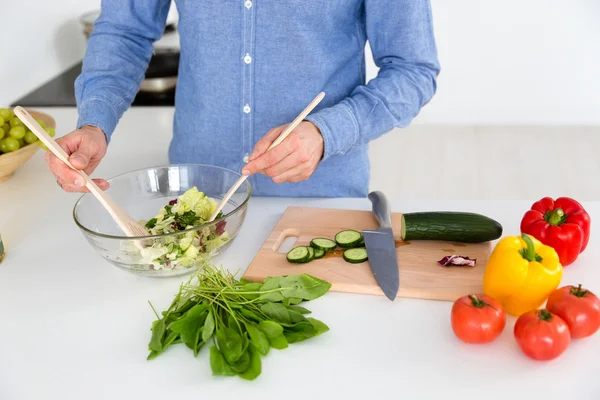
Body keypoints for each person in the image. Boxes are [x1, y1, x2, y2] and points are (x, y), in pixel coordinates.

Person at [46, 0, 440, 198]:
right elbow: (125, 31)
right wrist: (96, 121)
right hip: (195, 198)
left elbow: (413, 68)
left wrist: (326, 132)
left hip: (321, 200)